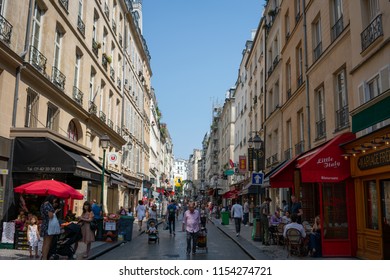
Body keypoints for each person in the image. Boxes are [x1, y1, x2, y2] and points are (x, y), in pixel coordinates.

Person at [40, 195, 59, 260]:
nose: (55, 201)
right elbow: (50, 216)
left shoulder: (43, 205)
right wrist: (54, 212)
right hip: (49, 226)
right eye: (54, 199)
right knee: (47, 243)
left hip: (44, 224)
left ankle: (43, 257)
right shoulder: (48, 205)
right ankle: (45, 258)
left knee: (44, 242)